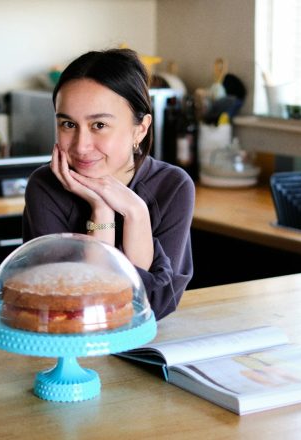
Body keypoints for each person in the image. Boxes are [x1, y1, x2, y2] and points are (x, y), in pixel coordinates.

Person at [22, 48, 195, 321]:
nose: (81, 146)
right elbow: (74, 309)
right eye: (68, 124)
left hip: (146, 347)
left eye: (99, 125)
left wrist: (136, 212)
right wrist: (101, 210)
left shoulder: (173, 186)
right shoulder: (45, 186)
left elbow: (154, 307)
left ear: (141, 128)